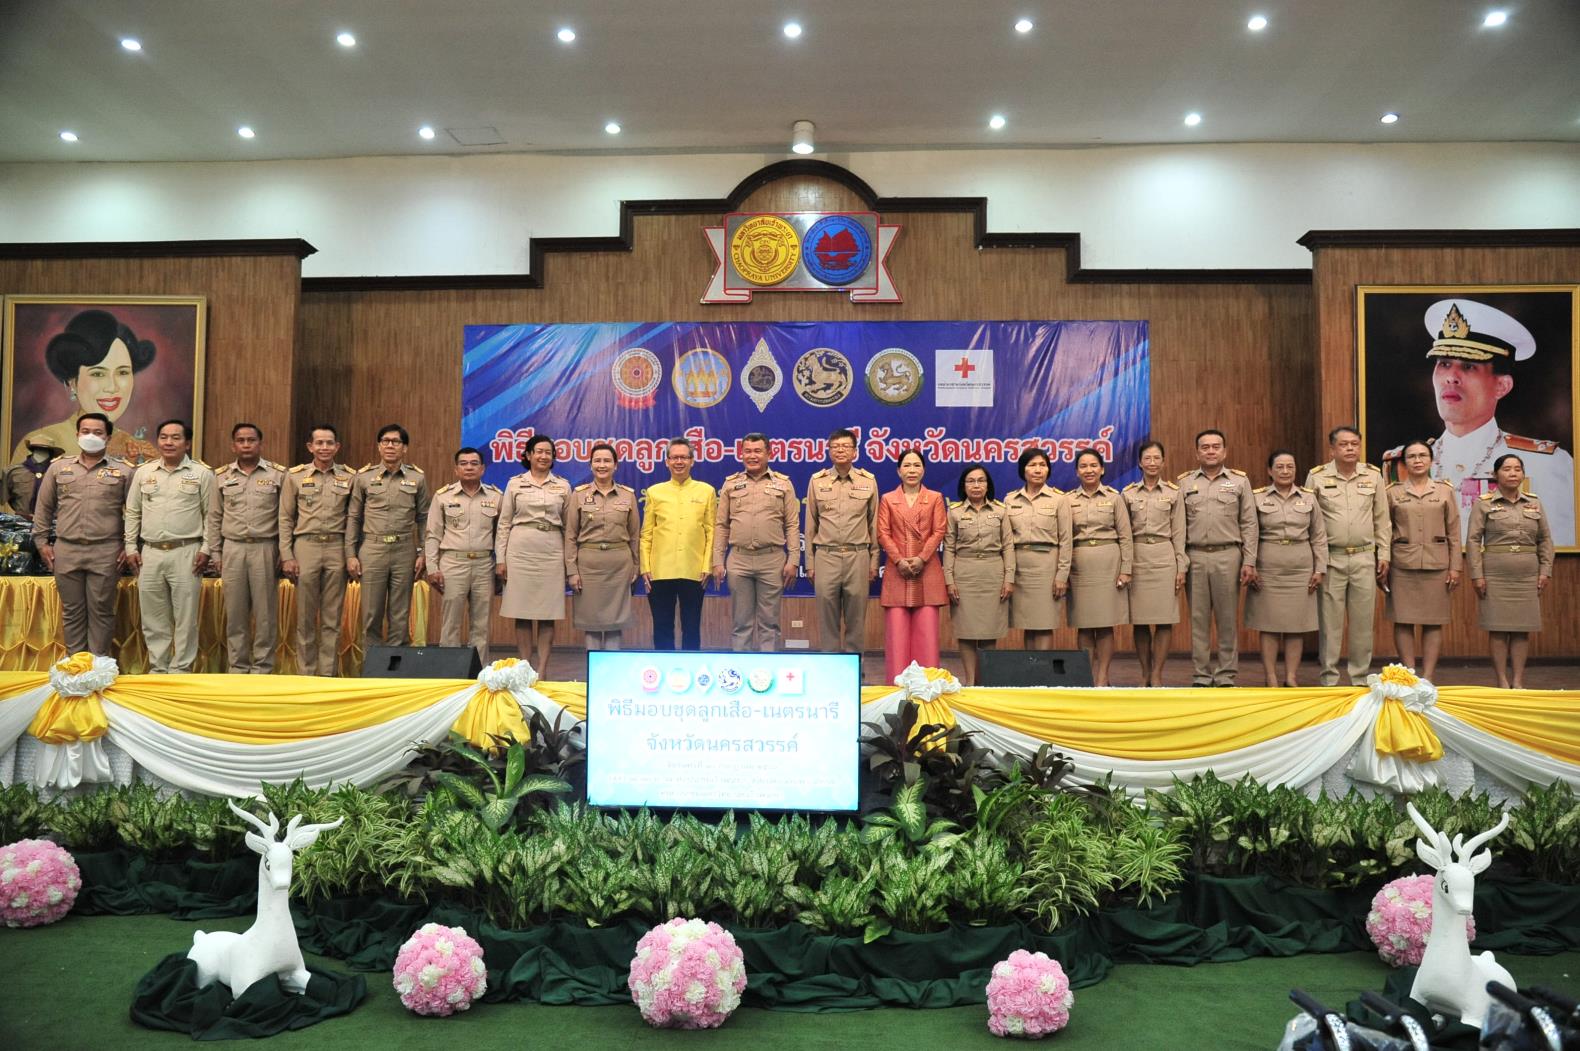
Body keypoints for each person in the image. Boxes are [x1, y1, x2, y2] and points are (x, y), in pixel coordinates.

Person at [1384, 298, 1575, 547]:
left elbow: (1564, 554)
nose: (1451, 377)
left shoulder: (1547, 464)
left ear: (1502, 385)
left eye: (1468, 366)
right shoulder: (1400, 464)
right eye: (1444, 364)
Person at [31, 413, 132, 656]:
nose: (91, 436)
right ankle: (75, 663)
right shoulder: (58, 468)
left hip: (106, 550)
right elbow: (43, 508)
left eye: (98, 432)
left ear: (108, 437)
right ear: (77, 434)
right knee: (72, 611)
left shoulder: (124, 471)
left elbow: (135, 513)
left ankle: (98, 664)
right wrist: (41, 543)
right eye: (85, 431)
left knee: (101, 610)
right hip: (67, 549)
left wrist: (129, 546)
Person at [124, 419, 214, 673]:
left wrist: (206, 549)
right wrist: (130, 547)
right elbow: (132, 512)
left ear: (187, 443)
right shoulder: (144, 473)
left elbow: (211, 515)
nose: (169, 442)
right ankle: (158, 668)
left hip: (187, 551)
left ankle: (181, 669)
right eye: (164, 437)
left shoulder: (202, 474)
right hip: (150, 552)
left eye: (176, 437)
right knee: (153, 617)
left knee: (185, 617)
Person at [14, 309, 157, 465]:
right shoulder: (40, 445)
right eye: (98, 374)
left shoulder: (139, 452)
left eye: (122, 372)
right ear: (72, 382)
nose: (112, 387)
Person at [1306, 426, 1389, 686]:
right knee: (1330, 623)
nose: (1350, 448)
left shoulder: (1373, 475)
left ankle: (1360, 678)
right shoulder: (1317, 477)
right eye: (1344, 444)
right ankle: (1329, 678)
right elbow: (1310, 521)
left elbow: (1382, 519)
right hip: (1332, 559)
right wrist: (1316, 561)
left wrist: (1384, 554)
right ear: (1332, 449)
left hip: (1364, 558)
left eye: (1354, 443)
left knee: (1363, 623)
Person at [1467, 454, 1554, 689]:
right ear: (1495, 474)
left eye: (1517, 469)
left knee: (1521, 629)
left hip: (1527, 574)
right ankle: (1502, 681)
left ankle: (1518, 681)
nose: (1513, 473)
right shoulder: (1483, 503)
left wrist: (1545, 570)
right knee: (1498, 629)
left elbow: (1545, 539)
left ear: (1523, 474)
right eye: (1507, 469)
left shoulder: (1534, 503)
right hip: (1495, 574)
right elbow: (1473, 540)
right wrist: (1477, 575)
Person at [204, 422, 286, 673]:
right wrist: (215, 553)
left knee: (265, 615)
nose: (246, 445)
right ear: (233, 446)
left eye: (251, 440)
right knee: (235, 614)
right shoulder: (221, 476)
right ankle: (238, 668)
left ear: (260, 444)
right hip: (233, 549)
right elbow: (214, 517)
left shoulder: (278, 475)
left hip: (265, 547)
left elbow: (286, 518)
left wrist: (284, 552)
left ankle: (263, 668)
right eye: (241, 440)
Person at [1178, 429, 1257, 687]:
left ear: (1225, 451)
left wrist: (1249, 560)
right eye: (1205, 447)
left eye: (1216, 446)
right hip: (1195, 556)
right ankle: (1201, 674)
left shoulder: (1239, 482)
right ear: (1197, 453)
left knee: (1227, 619)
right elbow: (1178, 527)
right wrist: (1181, 562)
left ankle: (1226, 675)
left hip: (1228, 555)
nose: (1210, 451)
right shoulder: (1184, 483)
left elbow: (1249, 523)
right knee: (1198, 620)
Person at [711, 433, 800, 652]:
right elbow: (721, 525)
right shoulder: (731, 484)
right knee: (741, 623)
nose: (752, 456)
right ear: (741, 454)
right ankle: (741, 667)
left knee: (769, 623)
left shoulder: (783, 484)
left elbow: (792, 524)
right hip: (739, 560)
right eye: (748, 451)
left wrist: (794, 560)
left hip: (772, 560)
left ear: (769, 453)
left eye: (758, 451)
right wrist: (717, 561)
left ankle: (767, 670)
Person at [279, 424, 356, 676]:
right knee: (305, 617)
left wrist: (350, 554)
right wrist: (287, 555)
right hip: (306, 546)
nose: (324, 447)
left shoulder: (350, 477)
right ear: (310, 447)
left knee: (332, 617)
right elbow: (285, 518)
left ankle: (327, 674)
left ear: (337, 447)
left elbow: (354, 519)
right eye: (319, 443)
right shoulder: (295, 476)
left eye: (329, 443)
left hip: (336, 546)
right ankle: (306, 674)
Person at [1245, 451, 1326, 687]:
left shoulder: (1309, 498)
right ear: (1270, 471)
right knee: (1268, 624)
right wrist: (1250, 564)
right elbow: (1250, 534)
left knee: (1296, 625)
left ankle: (1291, 677)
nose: (1285, 471)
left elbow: (1319, 535)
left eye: (1290, 466)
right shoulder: (1257, 497)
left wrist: (1320, 568)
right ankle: (1270, 677)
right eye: (1279, 467)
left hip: (1301, 568)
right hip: (1268, 567)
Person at [1384, 439, 1462, 682]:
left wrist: (1455, 567)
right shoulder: (1392, 492)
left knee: (1433, 622)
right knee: (1403, 620)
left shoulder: (1444, 491)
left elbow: (1454, 531)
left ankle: (1427, 677)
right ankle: (1410, 675)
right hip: (1401, 565)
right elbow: (1384, 531)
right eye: (1412, 456)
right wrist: (1383, 563)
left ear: (1431, 460)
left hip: (1436, 565)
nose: (1417, 460)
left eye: (1422, 456)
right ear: (1404, 462)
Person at [348, 424, 431, 651]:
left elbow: (424, 518)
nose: (390, 446)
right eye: (385, 441)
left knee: (400, 615)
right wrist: (350, 554)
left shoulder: (417, 478)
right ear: (379, 446)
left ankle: (395, 665)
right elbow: (353, 517)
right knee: (371, 614)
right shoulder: (364, 477)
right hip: (372, 549)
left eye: (396, 441)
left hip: (404, 550)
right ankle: (372, 665)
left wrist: (424, 553)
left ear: (405, 448)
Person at [496, 434, 571, 674]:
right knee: (522, 612)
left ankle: (542, 670)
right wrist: (500, 559)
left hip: (552, 551)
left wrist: (570, 562)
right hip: (520, 551)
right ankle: (525, 668)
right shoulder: (514, 484)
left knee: (548, 614)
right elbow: (504, 523)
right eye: (539, 451)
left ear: (553, 457)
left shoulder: (563, 485)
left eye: (548, 452)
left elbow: (570, 528)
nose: (543, 456)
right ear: (528, 455)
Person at [876, 448, 947, 682]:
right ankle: (896, 691)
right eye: (907, 465)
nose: (912, 470)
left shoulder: (935, 498)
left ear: (924, 470)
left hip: (927, 571)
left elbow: (939, 531)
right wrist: (899, 560)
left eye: (917, 465)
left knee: (927, 637)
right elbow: (883, 533)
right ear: (899, 471)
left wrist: (921, 558)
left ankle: (927, 691)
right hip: (897, 572)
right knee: (896, 638)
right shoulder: (888, 499)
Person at [425, 447, 502, 662]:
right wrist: (432, 567)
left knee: (481, 625)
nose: (469, 467)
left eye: (474, 463)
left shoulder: (496, 497)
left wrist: (501, 564)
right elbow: (432, 534)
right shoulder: (443, 496)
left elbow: (502, 535)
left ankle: (479, 672)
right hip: (453, 563)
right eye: (464, 463)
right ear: (456, 469)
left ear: (482, 469)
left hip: (484, 564)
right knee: (451, 623)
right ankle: (450, 672)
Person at [805, 428, 879, 652]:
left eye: (845, 446)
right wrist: (810, 563)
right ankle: (831, 666)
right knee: (827, 620)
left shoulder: (868, 481)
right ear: (828, 451)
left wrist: (874, 562)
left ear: (855, 452)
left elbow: (874, 524)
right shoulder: (817, 481)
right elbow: (810, 525)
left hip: (858, 557)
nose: (840, 450)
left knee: (856, 620)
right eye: (835, 446)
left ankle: (855, 666)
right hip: (826, 556)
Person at [640, 437, 716, 651]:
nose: (679, 462)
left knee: (691, 627)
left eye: (684, 457)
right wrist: (645, 567)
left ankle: (690, 670)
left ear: (692, 461)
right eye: (674, 458)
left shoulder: (706, 491)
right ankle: (664, 669)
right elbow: (646, 534)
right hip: (659, 571)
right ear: (667, 462)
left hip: (694, 570)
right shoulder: (655, 491)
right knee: (662, 627)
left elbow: (711, 531)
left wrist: (707, 565)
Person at [1065, 450, 1133, 687]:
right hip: (1079, 564)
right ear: (1077, 471)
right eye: (1083, 466)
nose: (1089, 470)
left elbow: (1125, 536)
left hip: (1108, 563)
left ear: (1102, 469)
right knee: (1084, 624)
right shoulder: (1067, 500)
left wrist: (1126, 569)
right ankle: (1087, 677)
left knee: (1105, 623)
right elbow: (1064, 538)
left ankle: (1102, 677)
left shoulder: (1114, 498)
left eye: (1094, 465)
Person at [565, 442, 640, 651]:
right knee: (592, 623)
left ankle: (610, 669)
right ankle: (594, 668)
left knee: (616, 622)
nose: (602, 465)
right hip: (588, 566)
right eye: (597, 461)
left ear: (615, 465)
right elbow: (570, 536)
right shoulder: (578, 495)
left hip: (619, 566)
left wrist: (636, 566)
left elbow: (635, 535)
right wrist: (572, 571)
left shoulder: (627, 495)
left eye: (607, 461)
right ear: (590, 465)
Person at [1123, 441, 1186, 686]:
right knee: (1139, 620)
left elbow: (1179, 532)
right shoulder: (1128, 493)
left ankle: (1158, 673)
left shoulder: (1174, 493)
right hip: (1137, 556)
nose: (1152, 463)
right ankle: (1145, 673)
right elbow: (1124, 534)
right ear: (1140, 463)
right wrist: (1125, 567)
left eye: (1156, 458)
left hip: (1164, 556)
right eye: (1147, 458)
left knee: (1164, 618)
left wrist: (1181, 566)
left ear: (1163, 462)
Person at [945, 464, 1014, 686]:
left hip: (993, 573)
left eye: (981, 480)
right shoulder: (954, 512)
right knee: (966, 631)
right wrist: (949, 581)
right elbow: (949, 548)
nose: (976, 485)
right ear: (964, 486)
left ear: (988, 485)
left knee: (988, 630)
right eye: (971, 481)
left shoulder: (1000, 511)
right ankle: (970, 682)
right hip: (964, 574)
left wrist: (1009, 579)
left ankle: (985, 681)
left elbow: (1008, 546)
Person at [1003, 447, 1071, 651]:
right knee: (1028, 623)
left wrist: (1062, 575)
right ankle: (1031, 668)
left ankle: (1042, 669)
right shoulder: (1010, 500)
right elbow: (1006, 541)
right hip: (1019, 567)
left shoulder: (1059, 499)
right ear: (1023, 470)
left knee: (1043, 623)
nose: (1038, 469)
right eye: (1032, 465)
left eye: (1042, 465)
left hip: (1047, 567)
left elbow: (1066, 540)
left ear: (1048, 470)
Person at [4, 435, 63, 517]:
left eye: (44, 449)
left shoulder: (59, 472)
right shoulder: (13, 471)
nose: (41, 451)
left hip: (52, 521)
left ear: (51, 452)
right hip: (22, 521)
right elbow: (7, 497)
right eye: (38, 448)